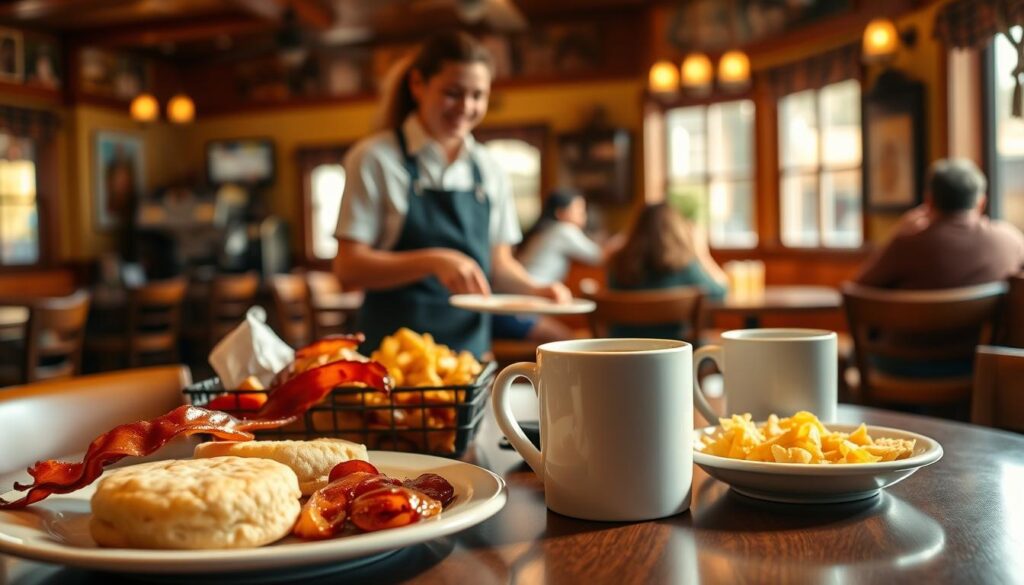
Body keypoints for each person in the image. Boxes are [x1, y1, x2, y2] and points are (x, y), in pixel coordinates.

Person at [333, 32, 569, 358]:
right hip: (393, 361)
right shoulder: (375, 158)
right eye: (453, 93)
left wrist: (536, 290)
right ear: (417, 85)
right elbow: (348, 267)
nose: (466, 107)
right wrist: (433, 260)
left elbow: (498, 265)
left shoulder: (489, 168)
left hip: (470, 358)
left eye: (478, 95)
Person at [855, 158, 1024, 289]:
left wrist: (898, 232)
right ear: (981, 203)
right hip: (987, 335)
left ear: (929, 202)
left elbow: (857, 288)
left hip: (915, 334)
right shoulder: (1009, 239)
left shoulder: (907, 245)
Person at [492, 189, 606, 342]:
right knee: (568, 341)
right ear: (560, 213)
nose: (583, 215)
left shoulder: (542, 230)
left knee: (566, 339)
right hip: (520, 307)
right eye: (578, 209)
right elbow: (598, 256)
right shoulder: (563, 230)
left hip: (511, 303)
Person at [606, 203, 727, 339]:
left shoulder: (618, 264)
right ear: (676, 230)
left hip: (623, 352)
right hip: (675, 352)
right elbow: (720, 292)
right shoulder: (685, 266)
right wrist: (703, 254)